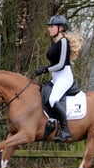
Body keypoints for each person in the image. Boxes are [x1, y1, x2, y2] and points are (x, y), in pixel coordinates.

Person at [35, 14, 84, 142]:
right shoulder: (55, 41)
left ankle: (66, 131)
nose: (49, 28)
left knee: (53, 99)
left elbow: (61, 64)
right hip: (56, 77)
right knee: (43, 93)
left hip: (64, 77)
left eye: (51, 26)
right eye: (49, 26)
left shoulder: (63, 42)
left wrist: (44, 70)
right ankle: (51, 122)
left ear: (60, 28)